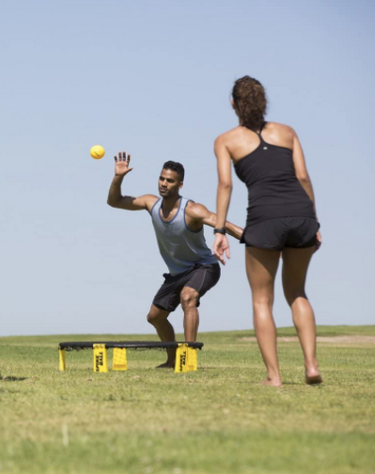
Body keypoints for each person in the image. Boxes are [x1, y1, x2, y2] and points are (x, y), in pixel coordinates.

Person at [213, 76, 322, 386]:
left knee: (262, 300)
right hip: (301, 215)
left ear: (233, 103)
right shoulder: (287, 132)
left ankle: (274, 377)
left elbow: (225, 184)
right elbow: (302, 177)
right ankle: (311, 366)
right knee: (298, 292)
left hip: (264, 219)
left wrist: (220, 229)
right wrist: (314, 222)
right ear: (263, 102)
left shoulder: (226, 140)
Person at [108, 153, 243, 367]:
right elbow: (114, 202)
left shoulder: (192, 209)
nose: (164, 183)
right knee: (155, 317)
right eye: (161, 178)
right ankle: (172, 360)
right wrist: (118, 177)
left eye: (169, 180)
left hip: (204, 266)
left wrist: (261, 242)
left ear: (180, 184)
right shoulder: (150, 203)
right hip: (176, 273)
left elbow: (225, 224)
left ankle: (188, 359)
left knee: (188, 297)